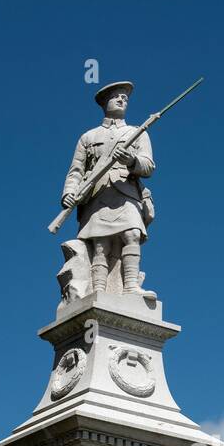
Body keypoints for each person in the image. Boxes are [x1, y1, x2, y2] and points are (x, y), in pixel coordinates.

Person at [60, 81, 155, 293]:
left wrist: (131, 161)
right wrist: (68, 193)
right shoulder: (88, 136)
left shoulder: (138, 132)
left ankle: (130, 286)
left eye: (125, 98)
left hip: (126, 192)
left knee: (132, 234)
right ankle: (99, 290)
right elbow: (76, 171)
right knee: (101, 246)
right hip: (97, 194)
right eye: (117, 97)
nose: (122, 100)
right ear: (105, 103)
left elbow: (148, 166)